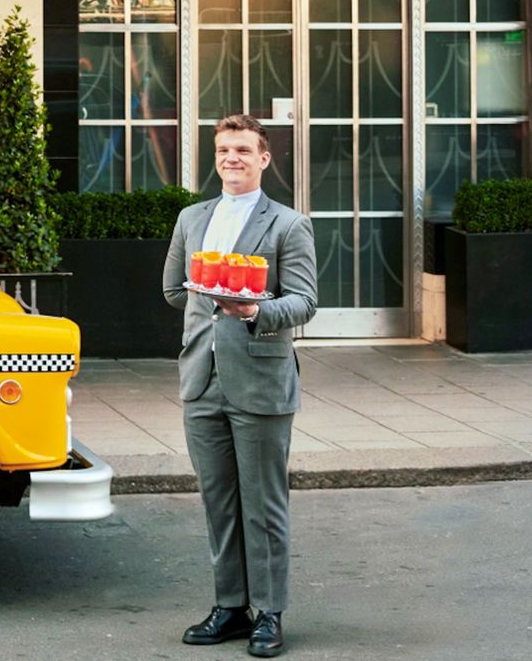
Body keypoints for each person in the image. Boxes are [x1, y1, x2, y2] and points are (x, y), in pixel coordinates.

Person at [162, 114, 318, 659]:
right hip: (200, 378)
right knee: (219, 501)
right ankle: (230, 606)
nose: (233, 158)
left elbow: (304, 302)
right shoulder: (191, 217)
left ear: (264, 158)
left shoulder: (287, 225)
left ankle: (269, 612)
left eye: (244, 150)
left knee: (263, 503)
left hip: (260, 378)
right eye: (225, 149)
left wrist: (254, 310)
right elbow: (174, 290)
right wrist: (208, 302)